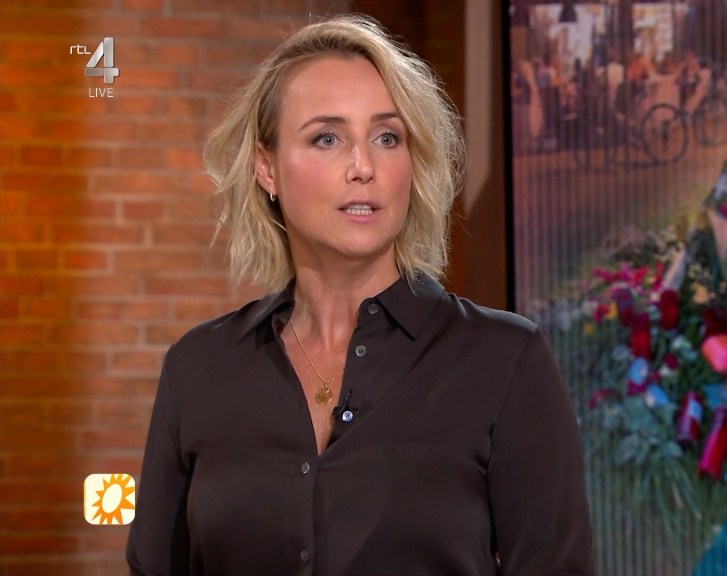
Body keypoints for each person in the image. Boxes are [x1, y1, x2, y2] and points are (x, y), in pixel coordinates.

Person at [125, 14, 593, 576]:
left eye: (387, 137)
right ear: (266, 167)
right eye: (327, 138)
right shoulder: (198, 369)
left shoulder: (505, 361)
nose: (364, 167)